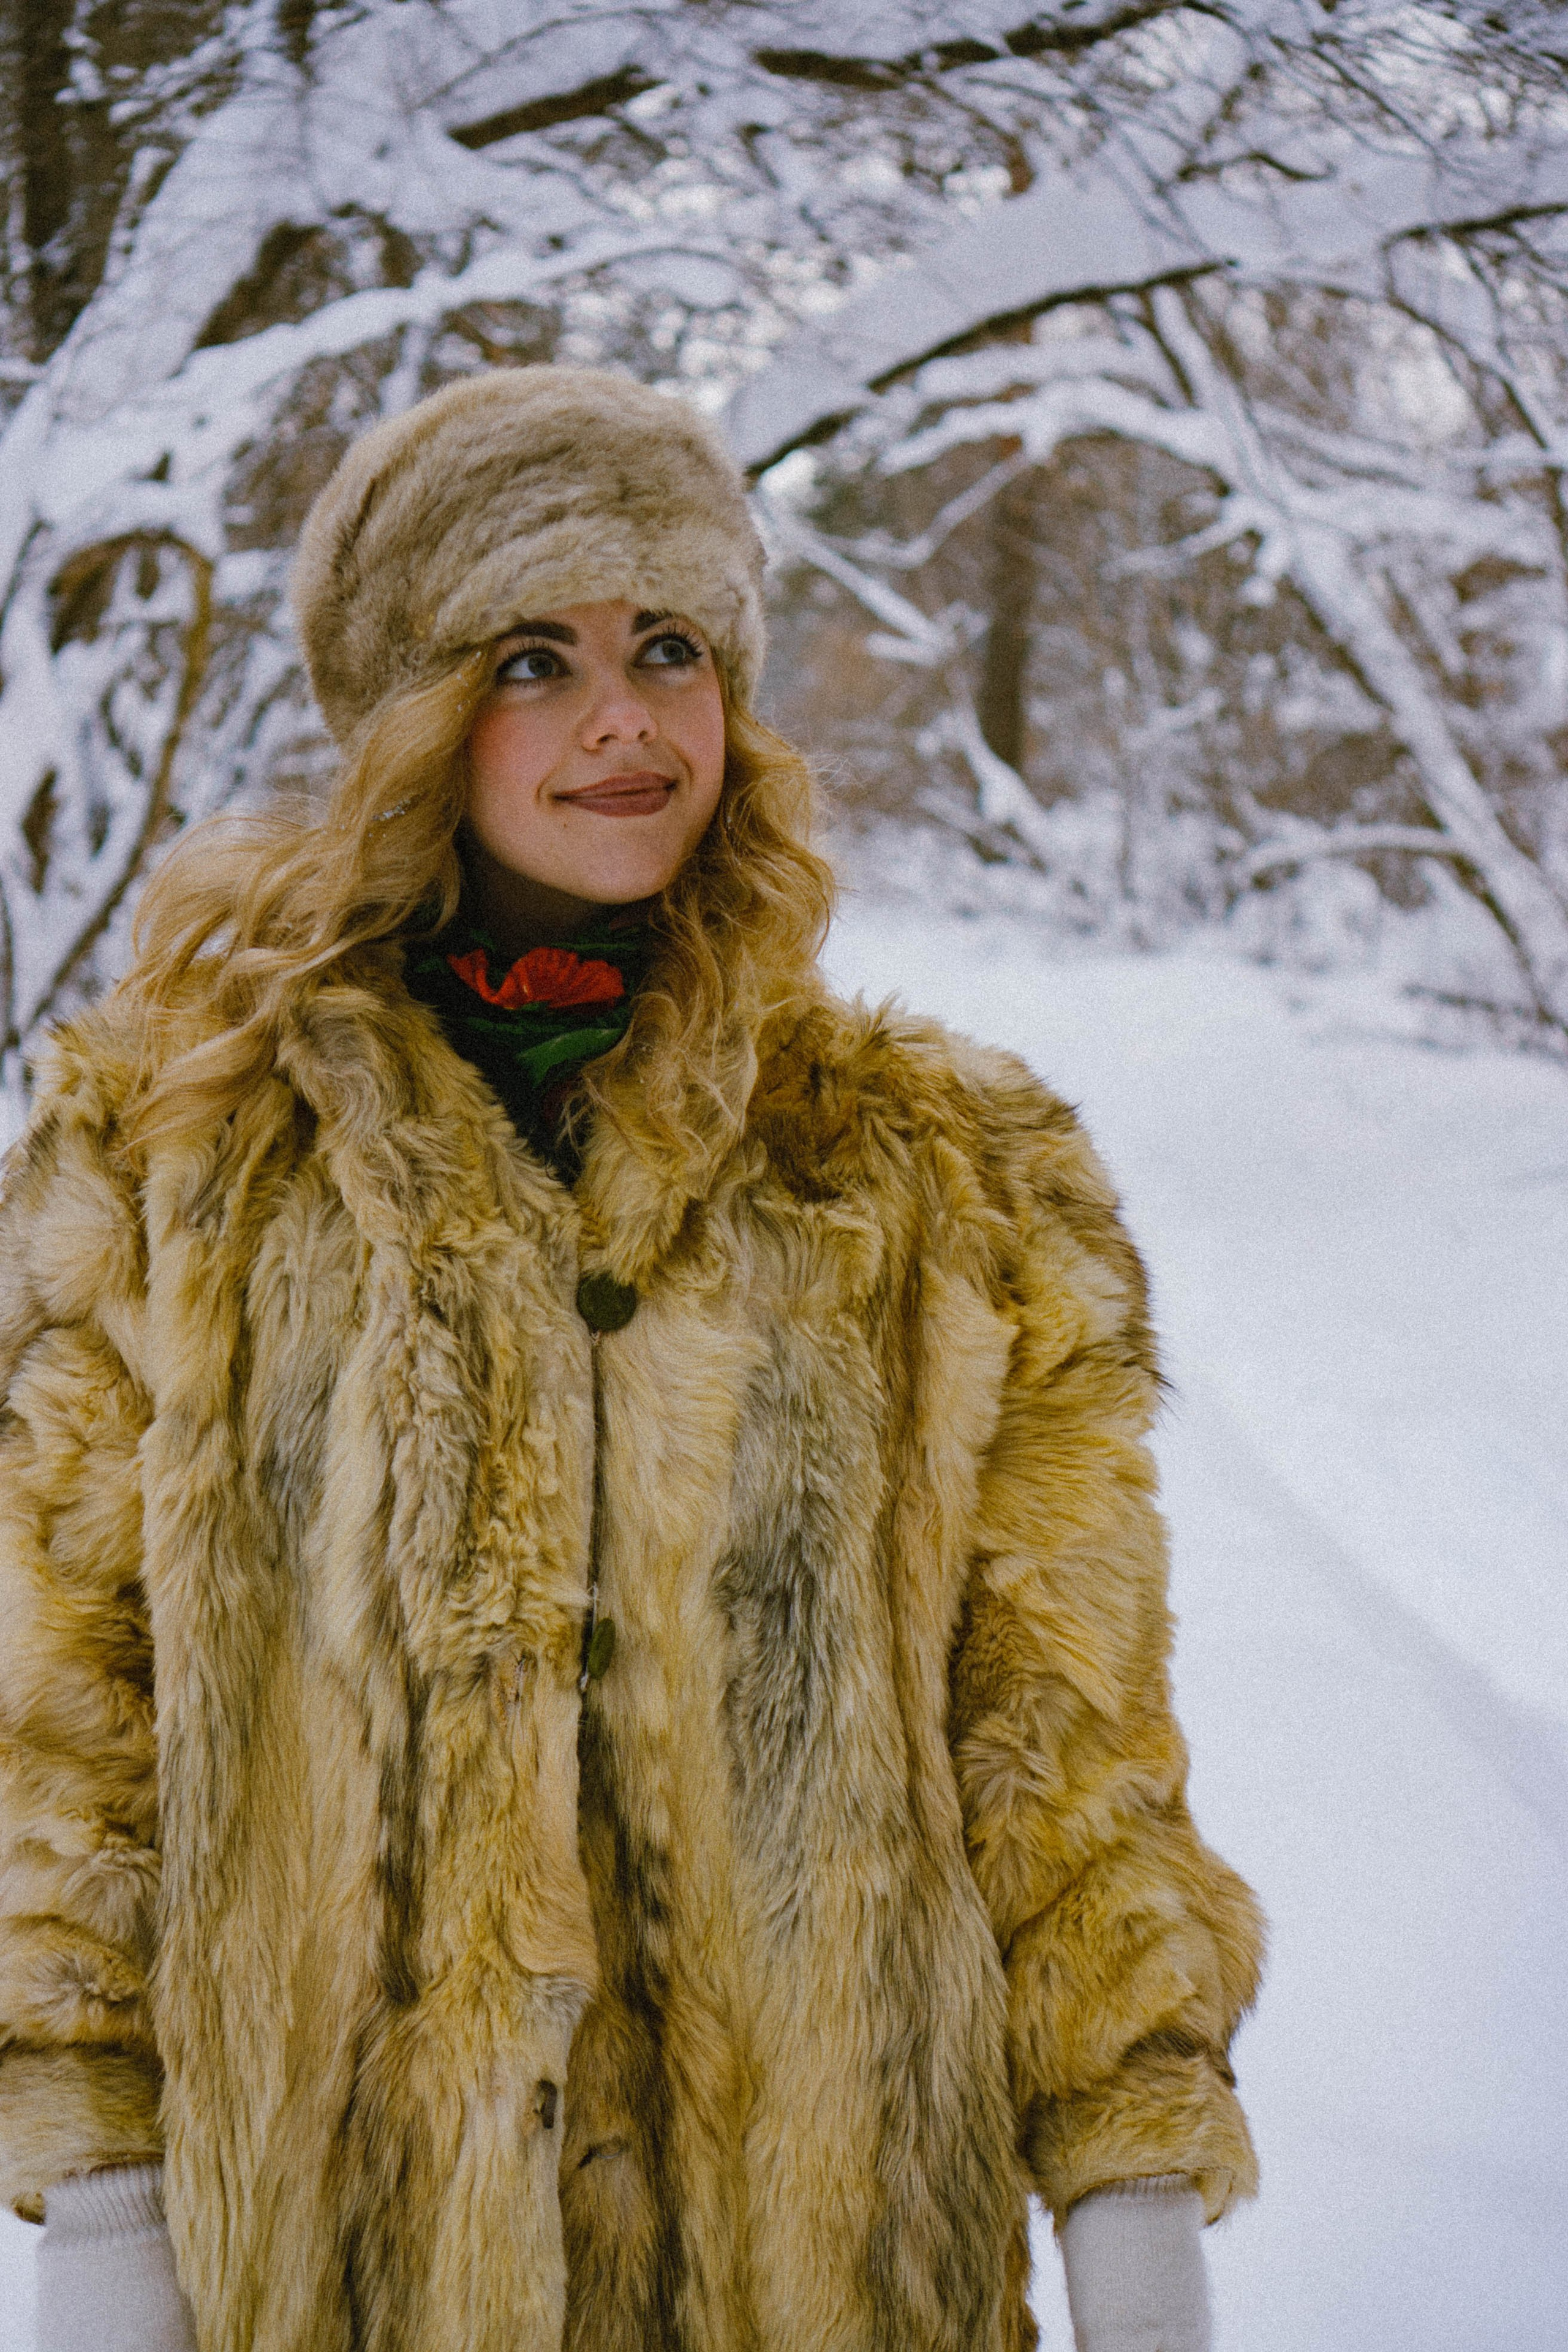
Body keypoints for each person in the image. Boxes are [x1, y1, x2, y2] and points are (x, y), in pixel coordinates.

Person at [0, 368, 1264, 2352]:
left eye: (670, 647)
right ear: (415, 715)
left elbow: (1068, 1749)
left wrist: (1130, 2216)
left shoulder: (947, 1176)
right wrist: (101, 2212)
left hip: (833, 2283)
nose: (623, 722)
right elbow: (67, 1726)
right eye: (535, 657)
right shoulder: (177, 1164)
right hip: (342, 2282)